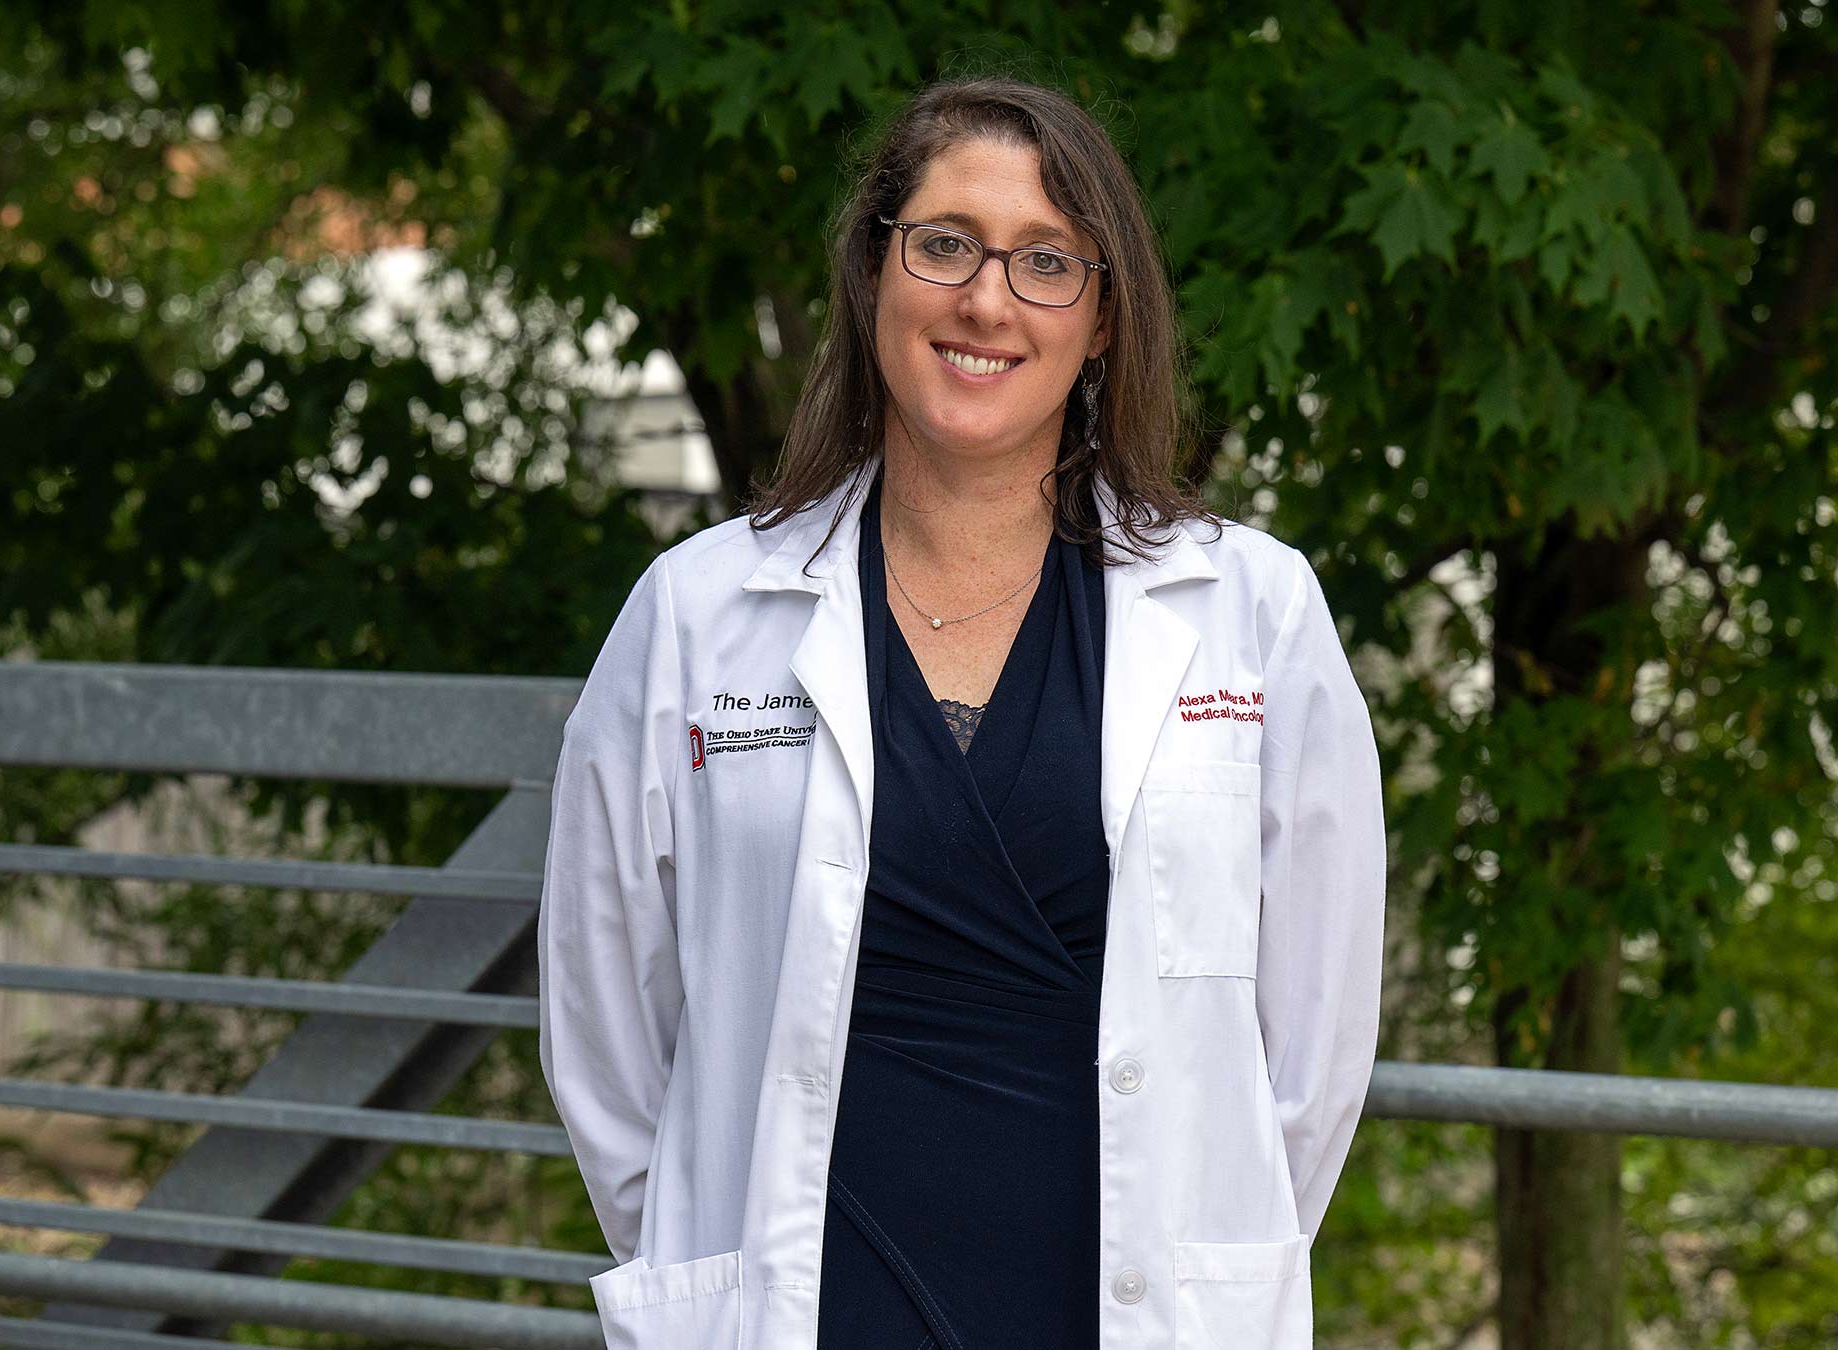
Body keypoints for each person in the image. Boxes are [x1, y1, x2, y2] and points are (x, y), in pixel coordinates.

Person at [537, 77, 1387, 1350]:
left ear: (1103, 320)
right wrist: (711, 1263)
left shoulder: (1251, 612)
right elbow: (604, 1011)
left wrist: (1214, 1258)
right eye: (943, 244)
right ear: (875, 271)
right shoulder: (698, 613)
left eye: (1047, 261)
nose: (987, 299)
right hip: (812, 1310)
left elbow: (1315, 1048)